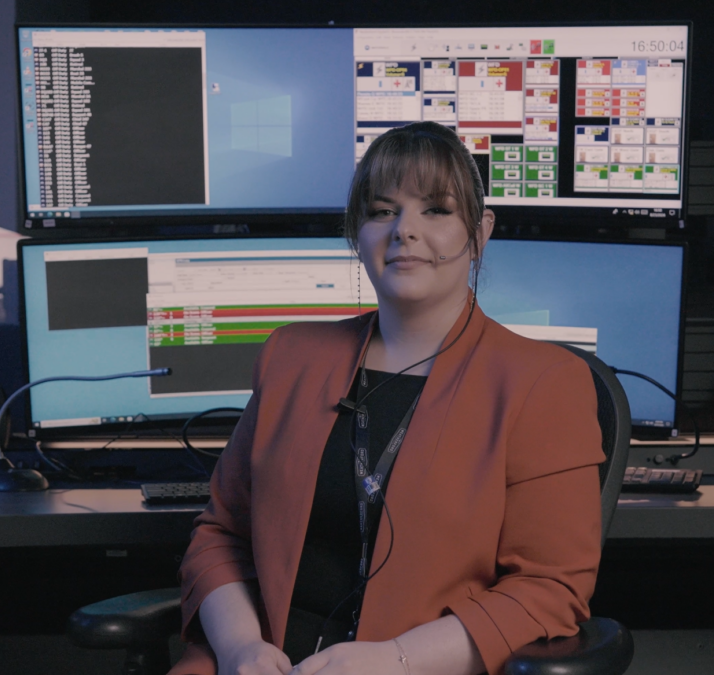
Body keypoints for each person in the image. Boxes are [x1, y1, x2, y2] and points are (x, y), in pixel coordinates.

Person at [170, 121, 605, 675]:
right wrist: (239, 649)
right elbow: (220, 535)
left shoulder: (544, 382)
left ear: (480, 231)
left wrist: (393, 662)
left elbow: (549, 590)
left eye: (437, 210)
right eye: (382, 210)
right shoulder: (292, 356)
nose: (405, 230)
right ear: (358, 232)